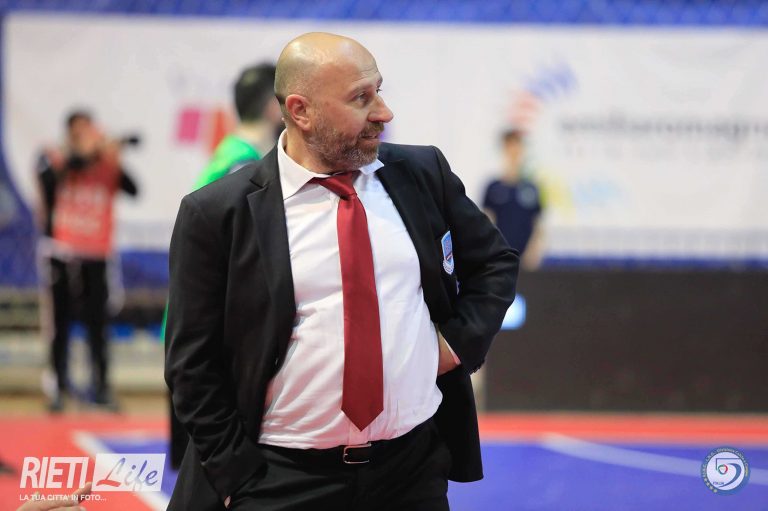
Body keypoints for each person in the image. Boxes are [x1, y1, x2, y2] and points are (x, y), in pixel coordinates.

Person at [165, 33, 518, 511]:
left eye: (379, 91)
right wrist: (237, 476)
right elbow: (191, 365)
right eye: (360, 98)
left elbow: (495, 262)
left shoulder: (422, 174)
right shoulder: (217, 213)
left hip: (411, 473)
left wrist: (456, 344)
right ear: (301, 111)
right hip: (280, 482)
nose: (384, 112)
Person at [166, 62, 282, 470]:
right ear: (275, 107)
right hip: (214, 332)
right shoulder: (246, 166)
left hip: (198, 322)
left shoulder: (231, 153)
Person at [36, 111, 139, 412]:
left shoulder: (106, 164)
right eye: (80, 132)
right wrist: (87, 154)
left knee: (98, 325)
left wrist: (113, 159)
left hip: (96, 255)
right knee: (60, 325)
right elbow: (48, 183)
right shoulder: (55, 158)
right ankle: (58, 386)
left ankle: (101, 387)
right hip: (63, 254)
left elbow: (133, 189)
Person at [482, 128, 544, 270]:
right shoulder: (493, 187)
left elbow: (537, 223)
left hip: (526, 262)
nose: (513, 153)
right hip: (500, 260)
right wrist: (491, 252)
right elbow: (487, 222)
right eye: (509, 147)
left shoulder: (531, 188)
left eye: (517, 147)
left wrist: (533, 251)